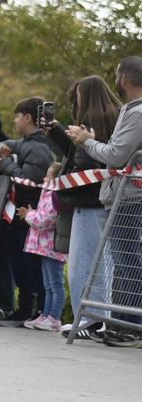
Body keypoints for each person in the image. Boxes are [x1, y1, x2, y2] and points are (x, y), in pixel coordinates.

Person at [63, 57, 142, 344]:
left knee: (128, 262)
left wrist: (85, 141)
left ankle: (131, 325)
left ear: (123, 78)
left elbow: (116, 156)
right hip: (122, 196)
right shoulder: (130, 110)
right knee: (123, 262)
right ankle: (124, 323)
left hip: (130, 197)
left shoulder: (136, 112)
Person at [47, 76, 122, 337]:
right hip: (108, 199)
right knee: (106, 265)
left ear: (85, 95)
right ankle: (100, 318)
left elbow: (85, 161)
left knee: (82, 264)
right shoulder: (116, 117)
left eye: (77, 95)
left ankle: (86, 319)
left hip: (88, 202)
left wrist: (66, 182)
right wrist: (58, 134)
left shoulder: (91, 121)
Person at [0, 97, 58, 322]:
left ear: (27, 117)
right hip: (21, 214)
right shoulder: (26, 143)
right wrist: (0, 149)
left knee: (30, 266)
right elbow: (9, 146)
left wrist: (4, 164)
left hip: (31, 214)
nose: (14, 121)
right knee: (20, 262)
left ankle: (35, 309)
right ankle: (26, 308)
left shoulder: (40, 149)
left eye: (17, 116)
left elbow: (26, 177)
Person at [21, 159, 68, 331]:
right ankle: (46, 315)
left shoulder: (55, 197)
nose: (45, 178)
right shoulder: (47, 195)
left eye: (48, 175)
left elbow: (43, 220)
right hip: (45, 247)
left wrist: (29, 215)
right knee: (48, 284)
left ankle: (54, 317)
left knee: (55, 284)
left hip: (53, 247)